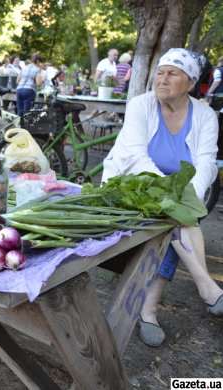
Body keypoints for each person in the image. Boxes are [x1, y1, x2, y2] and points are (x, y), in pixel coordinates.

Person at [102, 48, 223, 348]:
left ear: (191, 83)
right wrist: (172, 193)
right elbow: (133, 156)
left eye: (173, 73)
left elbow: (207, 162)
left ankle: (149, 308)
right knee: (178, 216)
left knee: (176, 217)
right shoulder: (140, 105)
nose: (162, 79)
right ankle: (203, 288)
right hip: (130, 185)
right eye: (160, 72)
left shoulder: (206, 115)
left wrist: (186, 192)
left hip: (179, 193)